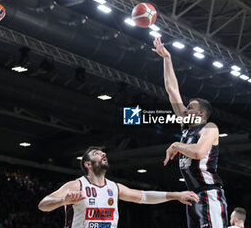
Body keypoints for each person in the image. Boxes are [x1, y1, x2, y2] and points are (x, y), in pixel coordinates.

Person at [152, 37, 228, 228]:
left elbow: (198, 152)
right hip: (193, 195)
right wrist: (167, 58)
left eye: (190, 108)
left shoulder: (210, 128)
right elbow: (172, 89)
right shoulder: (187, 127)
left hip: (209, 192)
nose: (185, 110)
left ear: (201, 113)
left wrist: (176, 145)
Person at [38, 146, 199, 228]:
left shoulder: (114, 188)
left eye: (103, 154)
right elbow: (43, 205)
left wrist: (176, 195)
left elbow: (143, 197)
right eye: (97, 153)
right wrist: (62, 201)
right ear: (88, 164)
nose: (103, 155)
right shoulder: (77, 185)